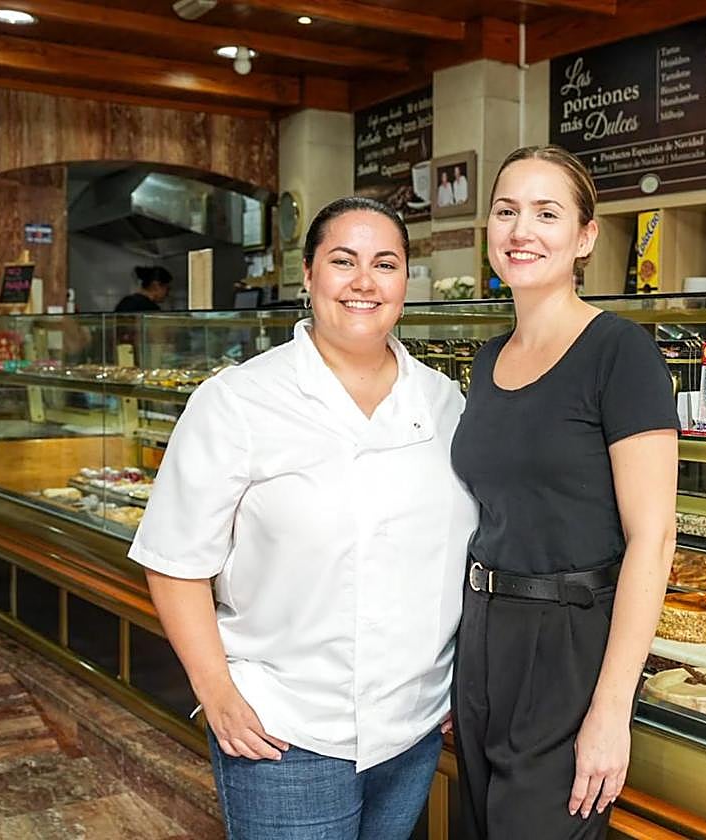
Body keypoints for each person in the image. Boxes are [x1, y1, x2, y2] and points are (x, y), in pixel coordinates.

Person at [128, 196, 478, 839]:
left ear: (406, 281)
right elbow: (175, 560)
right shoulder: (238, 401)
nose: (364, 282)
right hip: (286, 728)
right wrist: (219, 694)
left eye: (385, 263)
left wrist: (458, 679)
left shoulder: (445, 401)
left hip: (414, 726)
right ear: (309, 277)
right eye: (342, 261)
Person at [450, 145, 680, 838]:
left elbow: (655, 536)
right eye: (507, 211)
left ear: (585, 236)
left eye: (546, 213)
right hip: (484, 636)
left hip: (571, 645)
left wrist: (611, 708)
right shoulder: (489, 359)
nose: (522, 231)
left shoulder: (621, 353)